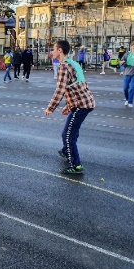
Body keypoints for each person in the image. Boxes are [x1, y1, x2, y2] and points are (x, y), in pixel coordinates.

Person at [44, 40, 95, 175]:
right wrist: (68, 105)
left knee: (68, 135)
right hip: (83, 103)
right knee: (71, 132)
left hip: (81, 105)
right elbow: (75, 87)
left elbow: (60, 90)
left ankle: (76, 165)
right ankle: (67, 151)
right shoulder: (73, 63)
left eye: (54, 49)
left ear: (60, 50)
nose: (52, 52)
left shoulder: (64, 67)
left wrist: (51, 107)